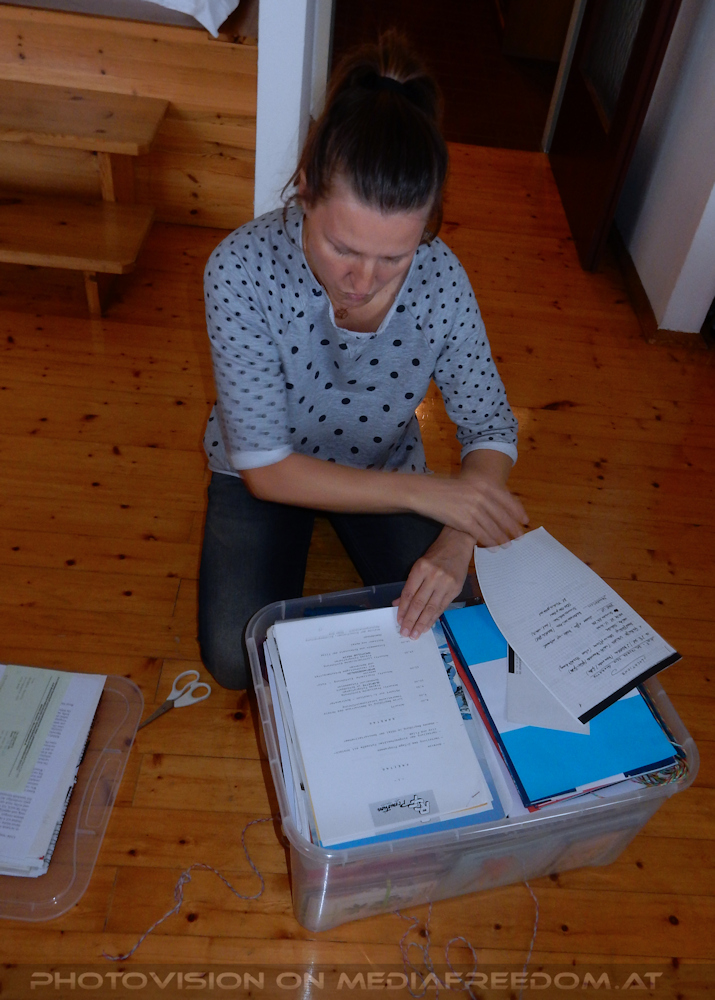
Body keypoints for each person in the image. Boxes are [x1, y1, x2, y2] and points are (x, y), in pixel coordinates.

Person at [198, 32, 528, 689]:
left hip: (380, 464)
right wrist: (432, 494)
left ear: (425, 227)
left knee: (453, 625)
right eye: (343, 247)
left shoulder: (441, 278)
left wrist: (457, 539)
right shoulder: (239, 269)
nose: (363, 281)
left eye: (394, 257)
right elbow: (265, 468)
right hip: (269, 474)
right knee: (237, 657)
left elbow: (490, 426)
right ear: (304, 189)